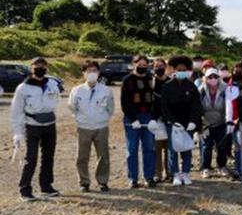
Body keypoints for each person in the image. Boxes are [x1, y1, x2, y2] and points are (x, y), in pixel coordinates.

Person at [10, 57, 61, 201]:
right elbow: (16, 111)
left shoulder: (51, 84)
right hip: (32, 126)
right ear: (31, 68)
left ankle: (46, 186)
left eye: (43, 66)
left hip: (50, 125)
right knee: (31, 158)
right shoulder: (23, 88)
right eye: (37, 66)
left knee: (48, 157)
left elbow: (57, 100)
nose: (40, 68)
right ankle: (25, 189)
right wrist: (18, 132)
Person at [68, 60, 114, 192]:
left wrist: (103, 119)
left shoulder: (106, 90)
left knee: (103, 156)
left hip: (101, 127)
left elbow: (111, 108)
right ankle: (84, 182)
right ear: (83, 73)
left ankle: (103, 181)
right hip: (83, 128)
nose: (92, 74)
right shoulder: (76, 91)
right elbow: (72, 107)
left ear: (99, 73)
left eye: (94, 71)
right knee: (82, 156)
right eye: (88, 71)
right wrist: (81, 119)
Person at [160, 56, 204, 186]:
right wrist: (172, 121)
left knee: (187, 149)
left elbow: (197, 105)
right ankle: (175, 174)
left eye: (184, 69)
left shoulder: (191, 86)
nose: (181, 71)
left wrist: (193, 122)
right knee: (173, 150)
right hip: (173, 124)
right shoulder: (167, 87)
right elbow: (164, 106)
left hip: (188, 124)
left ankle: (185, 173)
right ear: (173, 70)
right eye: (179, 69)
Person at [120, 54, 157, 188]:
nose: (142, 68)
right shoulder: (127, 80)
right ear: (134, 64)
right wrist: (133, 118)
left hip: (148, 116)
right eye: (139, 65)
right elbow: (124, 103)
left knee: (149, 148)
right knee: (132, 148)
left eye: (145, 66)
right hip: (132, 117)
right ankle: (133, 178)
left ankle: (149, 177)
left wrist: (153, 118)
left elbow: (156, 100)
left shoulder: (151, 79)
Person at [198, 67, 230, 179]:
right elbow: (197, 109)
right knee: (206, 147)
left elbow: (229, 107)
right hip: (206, 123)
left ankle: (222, 166)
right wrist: (199, 126)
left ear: (219, 78)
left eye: (215, 76)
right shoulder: (201, 90)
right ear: (205, 79)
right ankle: (205, 167)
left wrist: (229, 122)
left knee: (221, 146)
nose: (213, 79)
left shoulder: (225, 89)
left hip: (221, 123)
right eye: (210, 77)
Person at [151, 58, 171, 182]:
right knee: (156, 149)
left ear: (166, 67)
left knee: (169, 149)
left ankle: (168, 172)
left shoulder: (170, 82)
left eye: (161, 65)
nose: (159, 68)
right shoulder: (150, 82)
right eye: (156, 66)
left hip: (168, 120)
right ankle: (157, 173)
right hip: (155, 120)